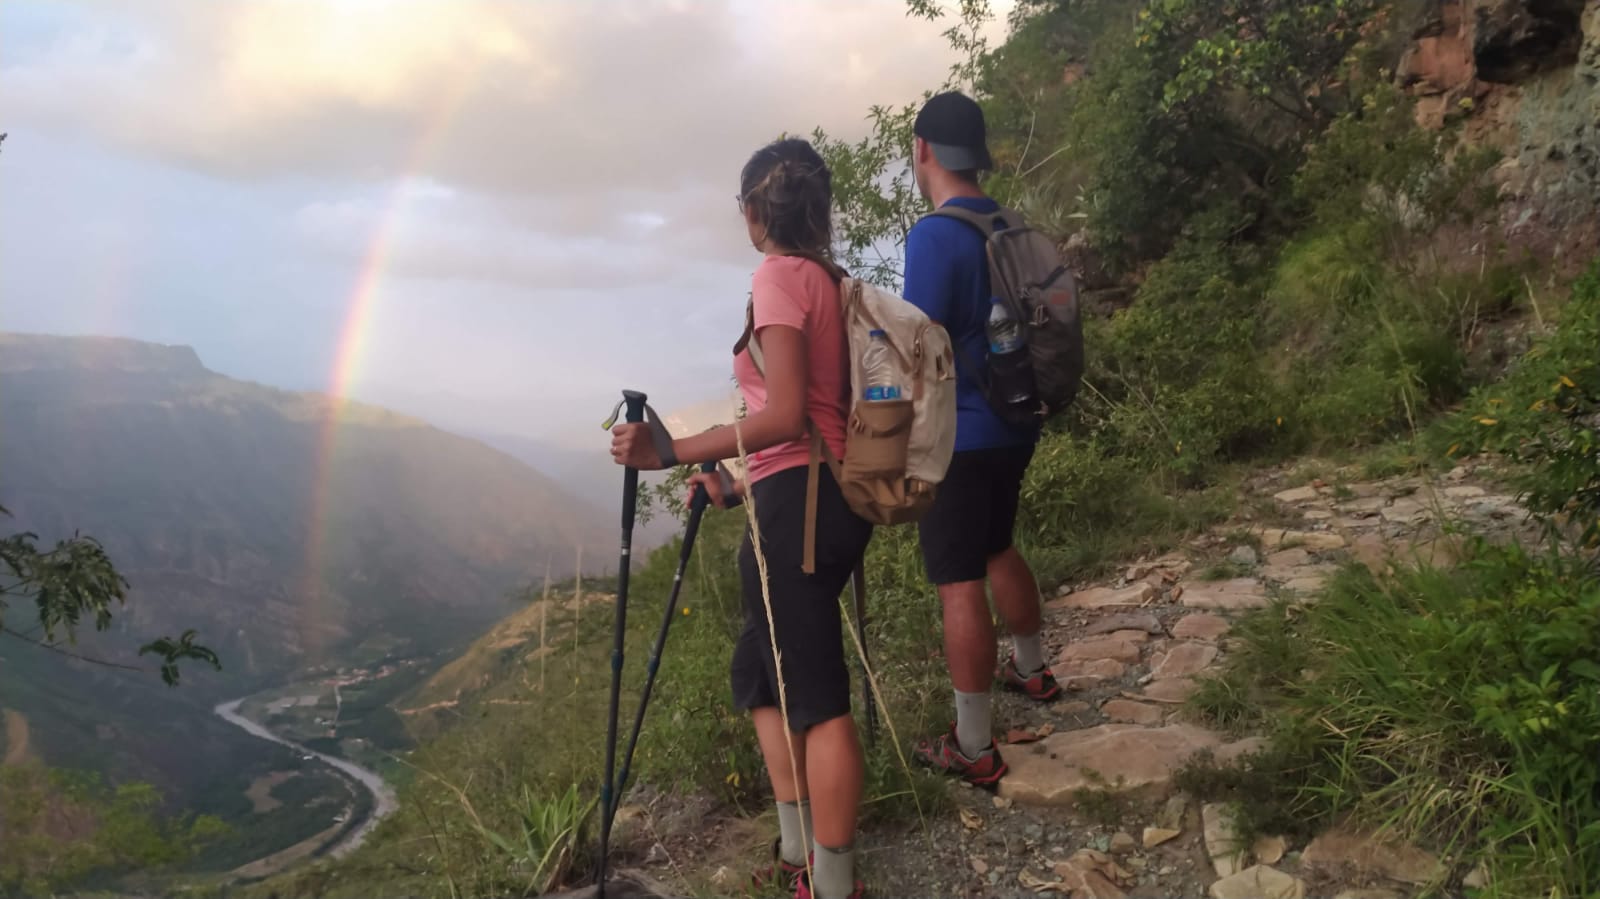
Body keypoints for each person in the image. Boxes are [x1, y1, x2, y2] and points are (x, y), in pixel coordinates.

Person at [609, 137, 870, 899]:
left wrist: (671, 450)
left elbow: (785, 415)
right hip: (812, 496)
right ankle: (797, 851)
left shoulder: (780, 277)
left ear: (756, 210)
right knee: (760, 671)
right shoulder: (829, 280)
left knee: (816, 697)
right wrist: (735, 486)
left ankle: (833, 883)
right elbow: (811, 414)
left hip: (802, 506)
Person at [902, 92, 1059, 788]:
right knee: (998, 543)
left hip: (962, 436)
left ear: (922, 150)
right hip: (1017, 420)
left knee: (958, 579)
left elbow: (917, 342)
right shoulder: (1007, 222)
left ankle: (973, 745)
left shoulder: (934, 236)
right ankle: (1032, 668)